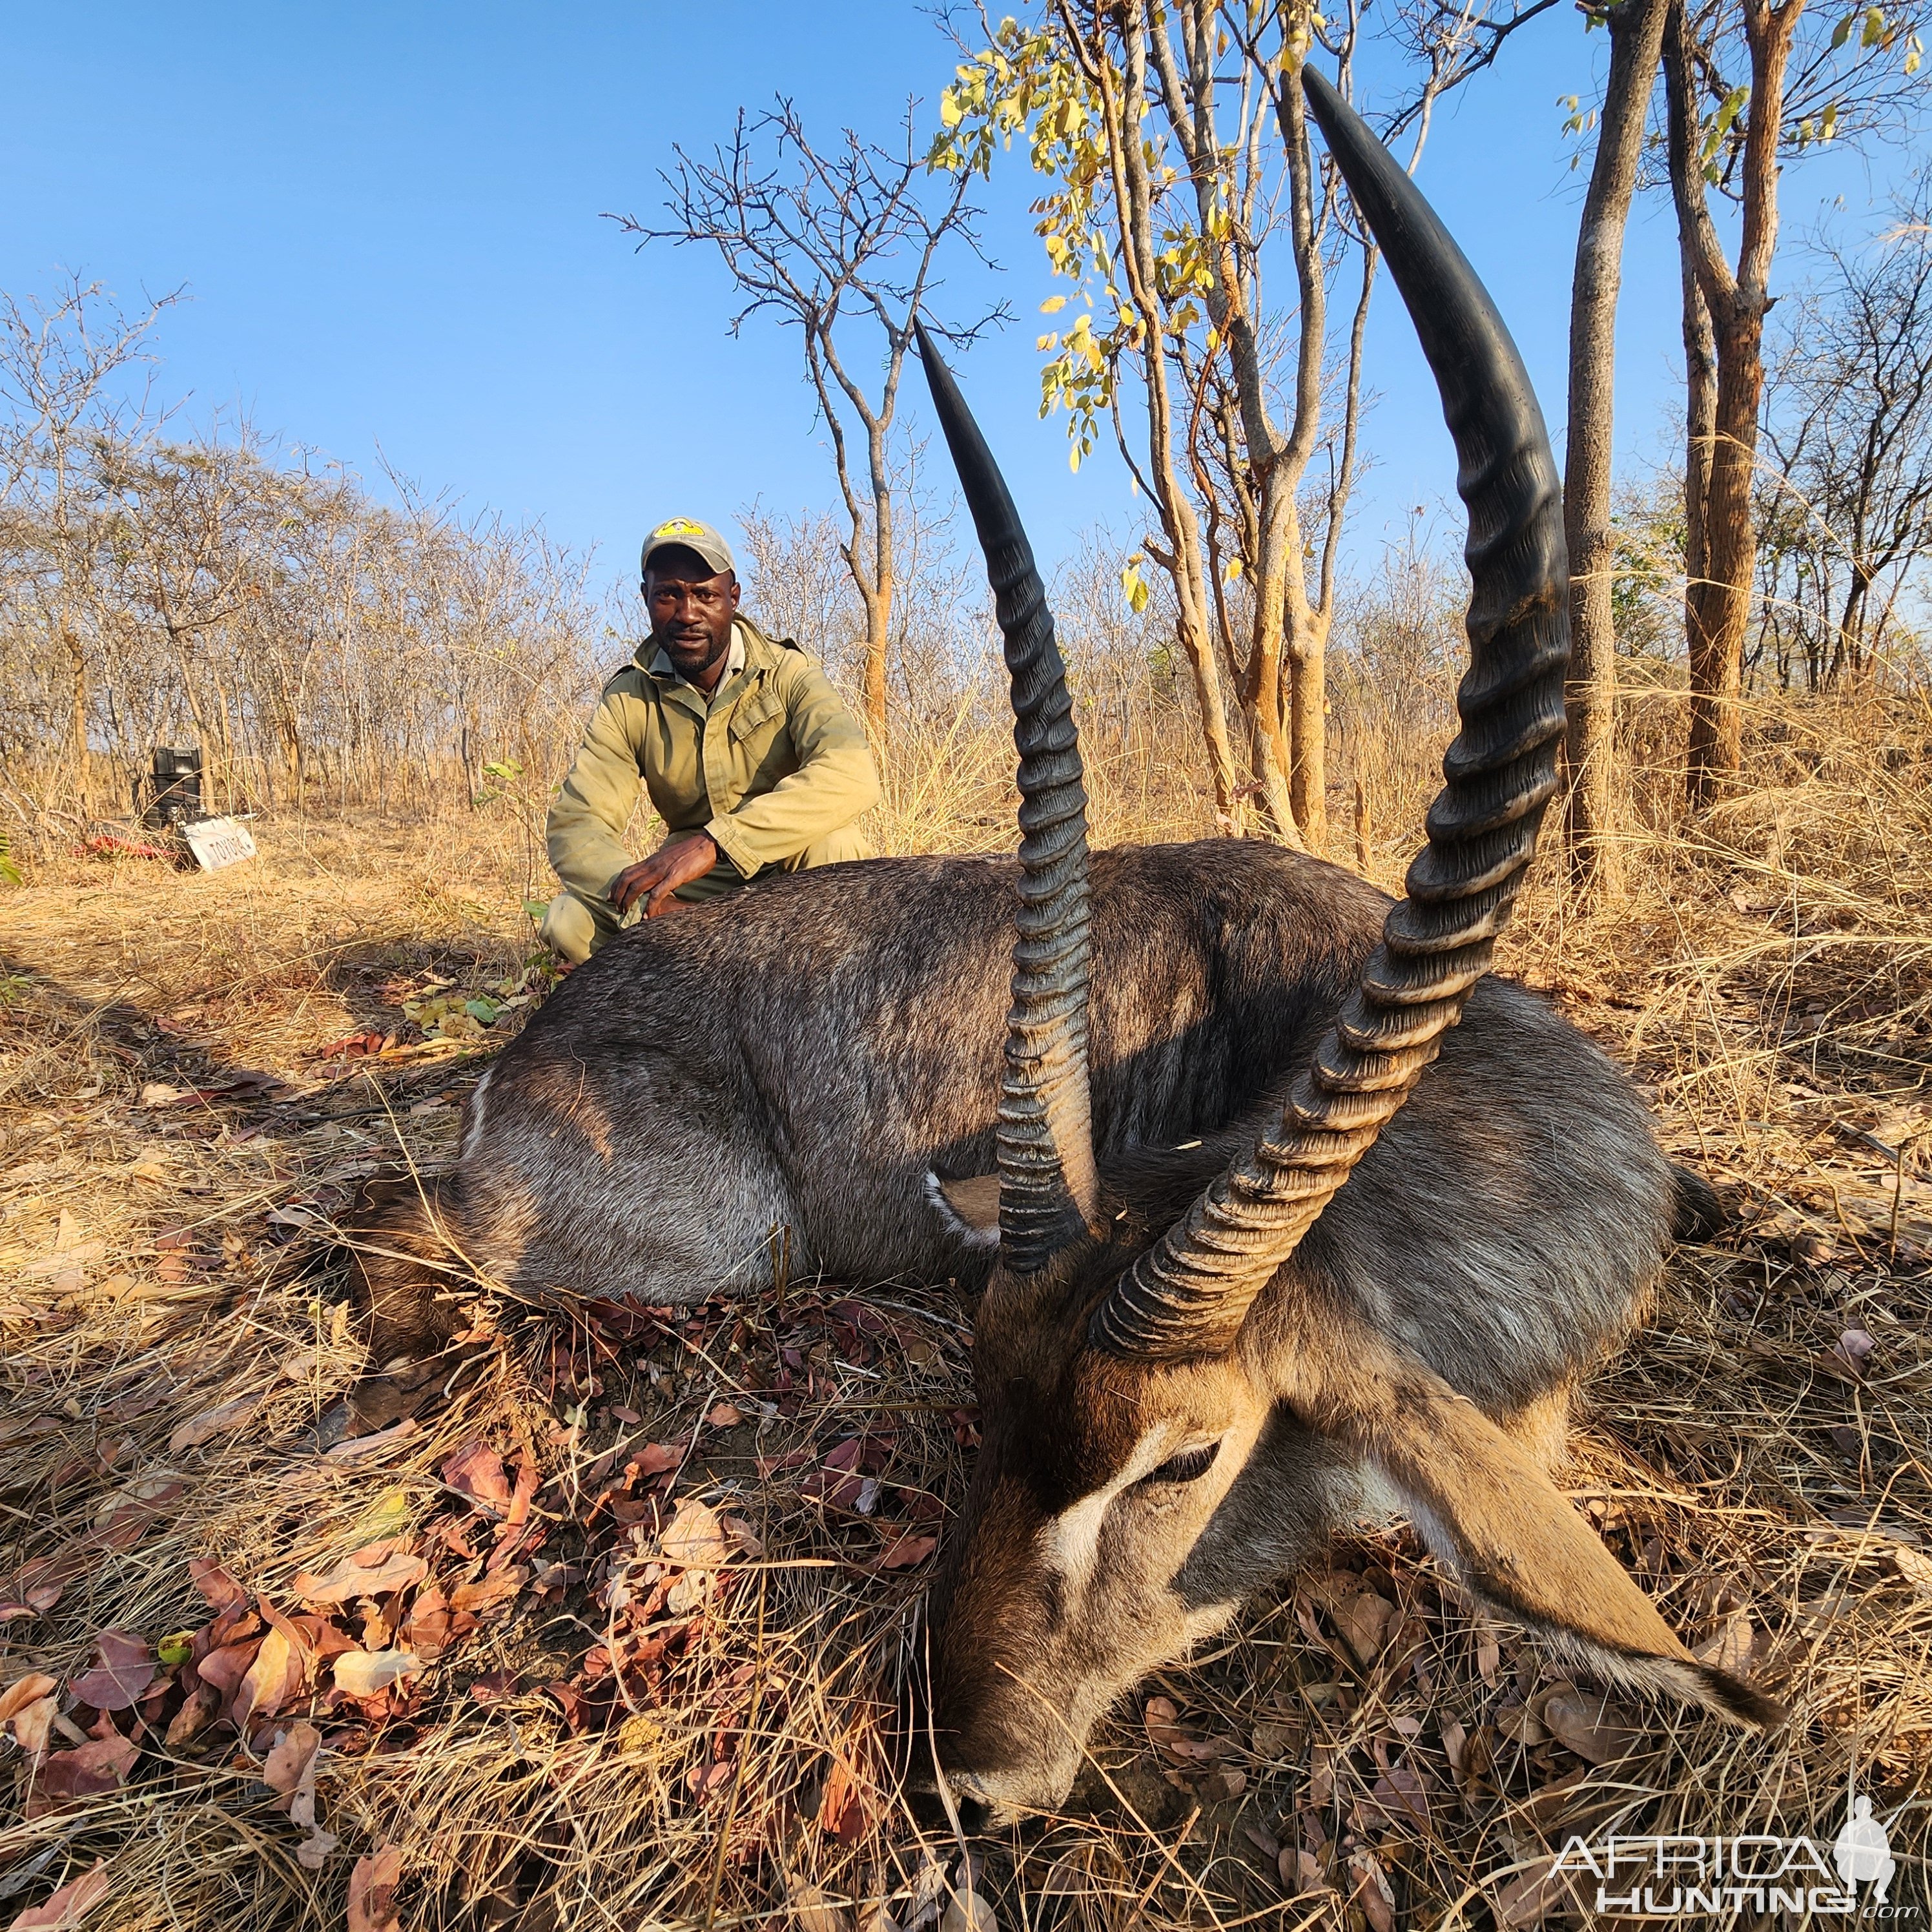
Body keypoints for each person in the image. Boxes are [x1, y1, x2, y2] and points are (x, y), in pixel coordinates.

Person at [539, 517, 881, 963]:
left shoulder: (789, 673)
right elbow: (578, 824)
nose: (687, 613)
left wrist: (717, 842)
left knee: (836, 847)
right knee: (568, 921)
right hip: (689, 892)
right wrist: (650, 907)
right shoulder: (628, 697)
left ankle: (820, 1007)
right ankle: (674, 1014)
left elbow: (852, 774)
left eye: (705, 594)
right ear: (646, 598)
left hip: (785, 870)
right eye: (669, 594)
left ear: (732, 599)